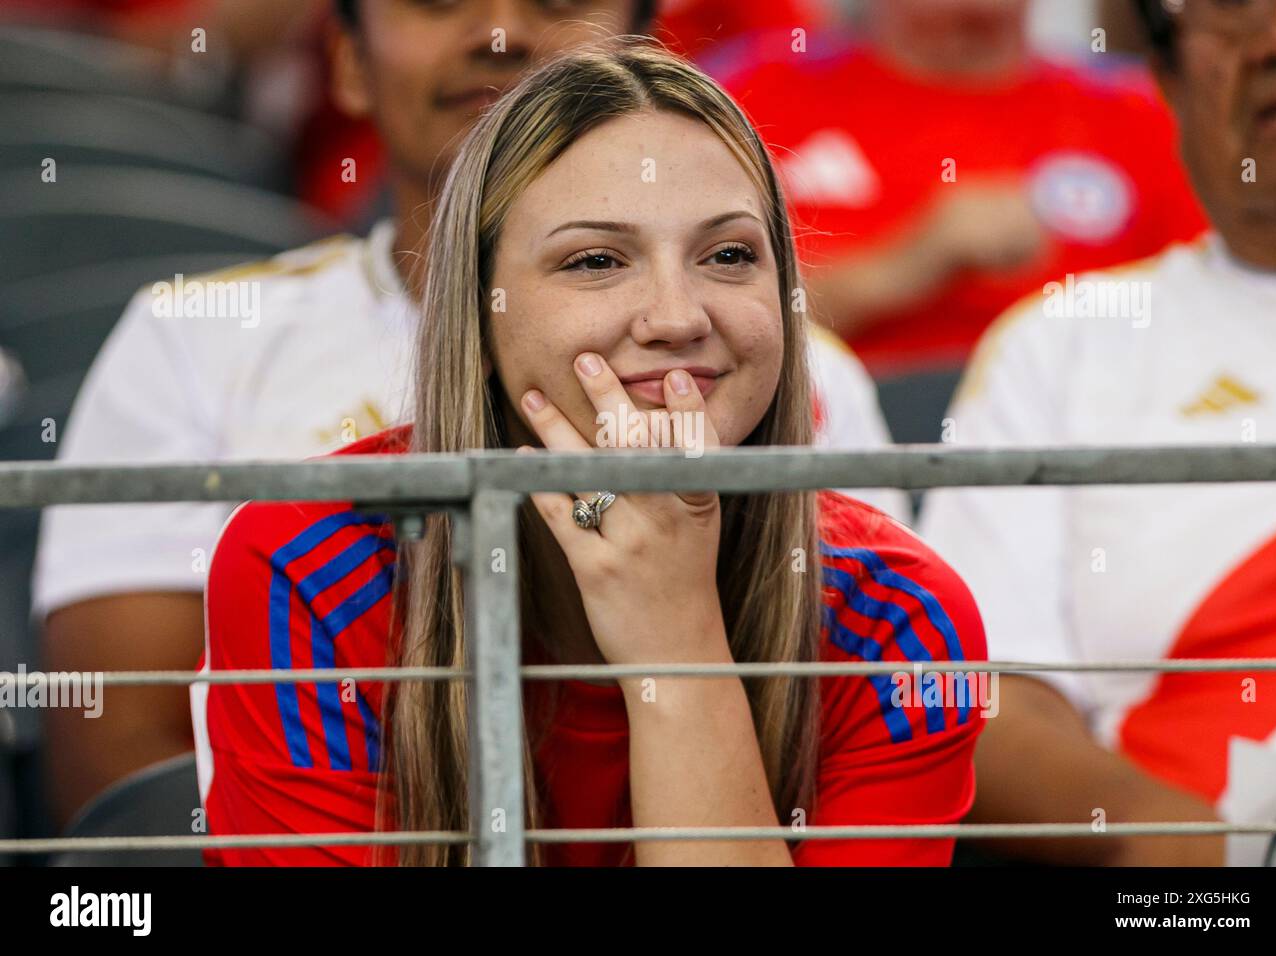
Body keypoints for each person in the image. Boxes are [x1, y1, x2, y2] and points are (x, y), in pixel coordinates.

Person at [31, 0, 906, 833]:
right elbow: (131, 777)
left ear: (651, 50)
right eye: (437, 2)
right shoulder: (195, 339)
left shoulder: (790, 375)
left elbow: (853, 721)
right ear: (345, 59)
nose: (499, 33)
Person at [197, 40, 988, 867]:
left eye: (729, 255)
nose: (677, 317)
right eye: (596, 261)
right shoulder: (303, 560)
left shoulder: (899, 614)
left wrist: (676, 646)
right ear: (479, 314)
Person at [918, 0, 1276, 866]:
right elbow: (983, 702)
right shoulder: (1063, 346)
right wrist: (1205, 860)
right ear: (1165, 74)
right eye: (1239, 8)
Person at [704, 0, 1207, 386]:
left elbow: (1216, 310)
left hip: (1086, 430)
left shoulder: (1142, 113)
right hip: (826, 442)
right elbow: (696, 307)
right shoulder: (753, 93)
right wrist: (906, 264)